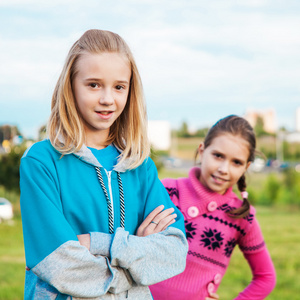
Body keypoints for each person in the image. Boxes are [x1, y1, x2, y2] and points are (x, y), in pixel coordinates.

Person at [20, 29, 188, 300]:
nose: (108, 99)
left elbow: (174, 252)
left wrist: (104, 244)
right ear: (71, 86)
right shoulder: (41, 162)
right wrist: (136, 257)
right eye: (94, 85)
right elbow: (61, 265)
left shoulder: (140, 166)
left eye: (119, 86)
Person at [150, 115, 276, 300]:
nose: (224, 169)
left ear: (246, 167)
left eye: (236, 162)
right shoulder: (164, 190)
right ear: (202, 151)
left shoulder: (241, 216)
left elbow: (266, 277)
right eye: (218, 156)